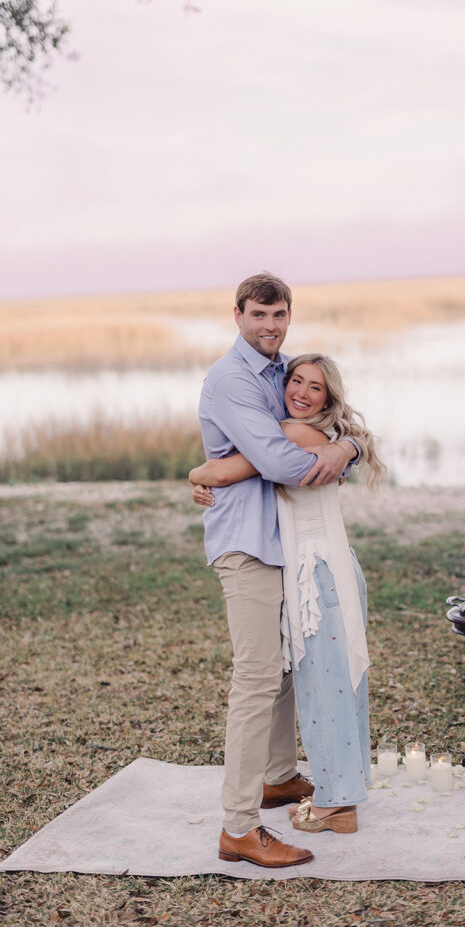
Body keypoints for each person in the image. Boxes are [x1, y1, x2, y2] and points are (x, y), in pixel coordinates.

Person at [194, 274, 361, 869]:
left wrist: (346, 448)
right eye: (259, 314)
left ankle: (279, 776)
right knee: (257, 677)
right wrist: (328, 451)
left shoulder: (283, 371)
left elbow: (335, 425)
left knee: (286, 665)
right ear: (238, 314)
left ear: (289, 316)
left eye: (279, 314)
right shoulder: (232, 379)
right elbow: (281, 462)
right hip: (248, 544)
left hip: (286, 543)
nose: (270, 325)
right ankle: (239, 827)